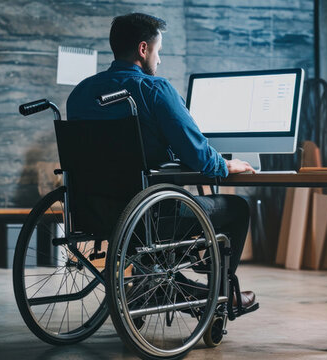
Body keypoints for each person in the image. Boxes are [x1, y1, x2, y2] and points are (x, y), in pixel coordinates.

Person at [66, 12, 257, 310]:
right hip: (148, 216)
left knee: (159, 199)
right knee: (236, 207)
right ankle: (219, 294)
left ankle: (158, 285)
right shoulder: (154, 90)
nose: (160, 60)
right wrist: (225, 165)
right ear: (144, 49)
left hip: (94, 213)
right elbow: (196, 153)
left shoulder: (80, 93)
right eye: (159, 52)